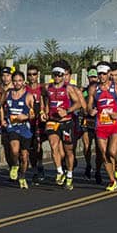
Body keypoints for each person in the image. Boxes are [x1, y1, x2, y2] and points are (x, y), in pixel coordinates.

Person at [43, 61, 86, 189]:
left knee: (68, 150)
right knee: (53, 144)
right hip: (52, 121)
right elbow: (44, 99)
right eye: (55, 75)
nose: (57, 77)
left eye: (59, 75)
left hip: (66, 122)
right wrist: (44, 111)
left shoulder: (68, 88)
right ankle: (59, 171)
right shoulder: (48, 87)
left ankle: (70, 174)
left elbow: (78, 103)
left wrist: (67, 111)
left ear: (63, 76)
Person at [90, 64, 117, 190]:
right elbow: (88, 106)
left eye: (104, 74)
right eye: (99, 74)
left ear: (109, 74)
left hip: (114, 124)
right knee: (104, 154)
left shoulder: (116, 88)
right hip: (100, 124)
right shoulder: (94, 89)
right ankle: (112, 181)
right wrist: (90, 111)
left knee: (112, 151)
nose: (101, 76)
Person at [0, 68, 38, 187]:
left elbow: (34, 113)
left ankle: (22, 175)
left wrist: (26, 117)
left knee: (24, 155)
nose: (17, 83)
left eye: (20, 81)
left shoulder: (29, 96)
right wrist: (2, 119)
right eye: (15, 81)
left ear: (23, 82)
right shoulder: (8, 93)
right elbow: (0, 105)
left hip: (25, 128)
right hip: (12, 126)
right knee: (14, 149)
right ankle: (15, 165)